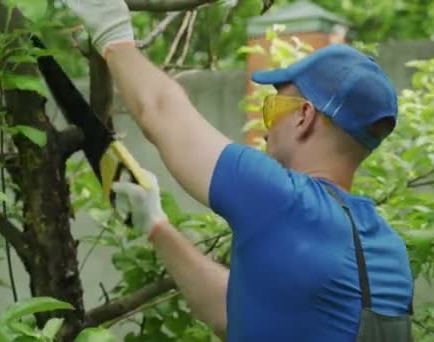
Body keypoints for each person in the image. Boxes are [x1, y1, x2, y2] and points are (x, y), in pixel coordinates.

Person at [64, 1, 414, 341]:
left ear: (305, 117)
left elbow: (159, 110)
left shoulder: (284, 200)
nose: (265, 128)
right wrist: (156, 226)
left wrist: (111, 28)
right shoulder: (389, 249)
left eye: (273, 107)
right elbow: (236, 314)